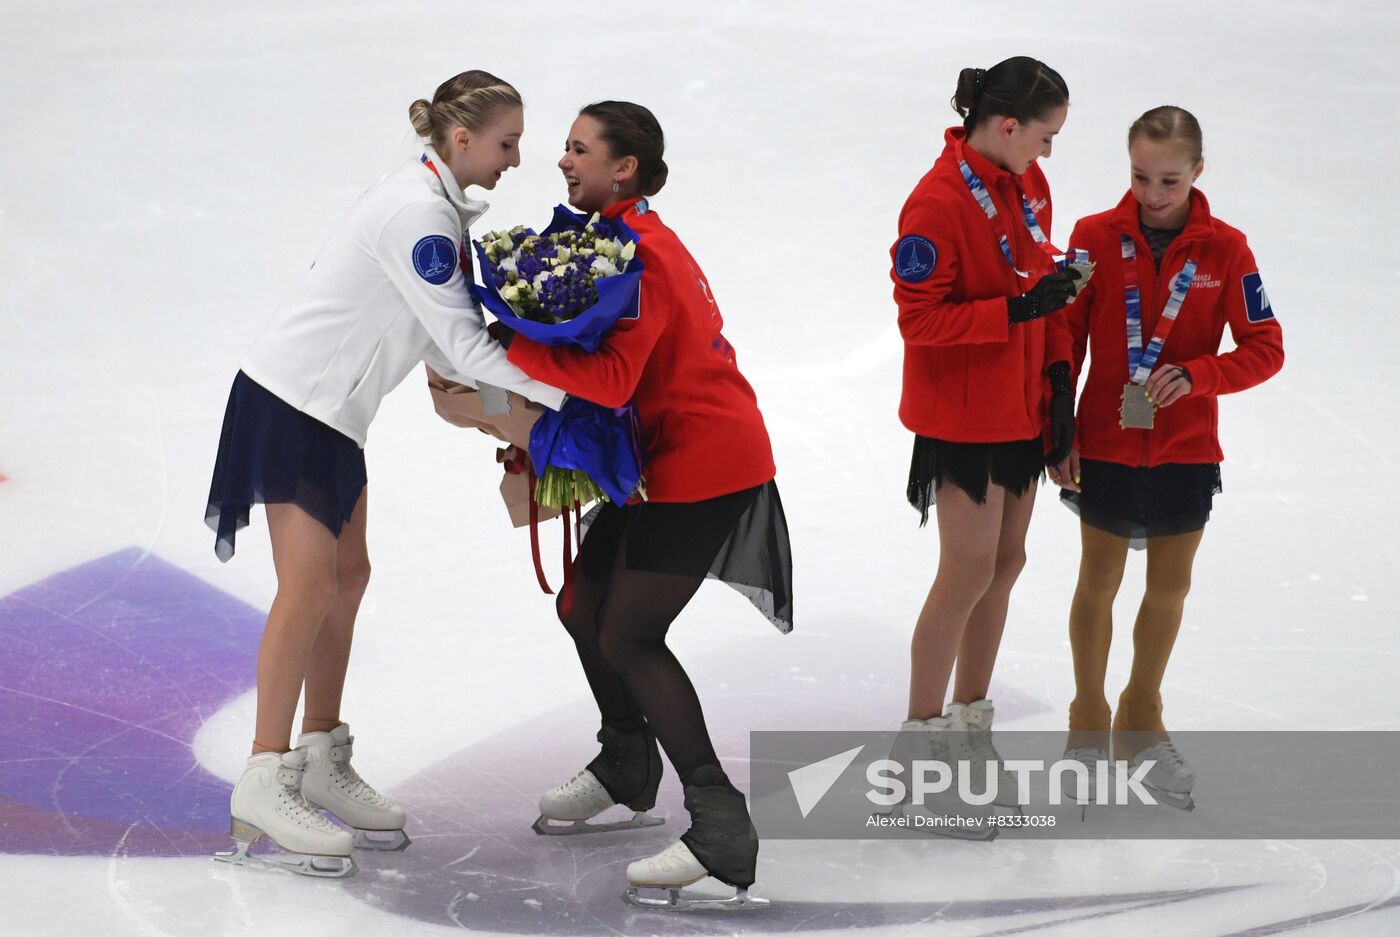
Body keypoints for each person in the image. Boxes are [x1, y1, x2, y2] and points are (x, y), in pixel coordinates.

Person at [205, 70, 565, 876]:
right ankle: (264, 773)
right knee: (308, 585)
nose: (516, 159)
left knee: (349, 574)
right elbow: (465, 347)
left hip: (332, 415)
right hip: (292, 403)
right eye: (508, 143)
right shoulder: (419, 216)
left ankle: (322, 752)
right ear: (461, 139)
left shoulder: (433, 207)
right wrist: (576, 399)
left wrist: (505, 417)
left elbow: (441, 343)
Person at [503, 101, 792, 910]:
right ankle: (628, 760)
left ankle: (720, 823)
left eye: (578, 149)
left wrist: (505, 343)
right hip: (662, 460)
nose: (563, 161)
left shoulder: (641, 255)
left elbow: (612, 380)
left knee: (628, 632)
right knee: (581, 603)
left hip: (706, 464)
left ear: (623, 167)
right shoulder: (623, 240)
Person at [1048, 106, 1284, 809]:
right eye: (1140, 176)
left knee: (1170, 587)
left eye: (1170, 180)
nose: (1152, 194)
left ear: (1199, 172)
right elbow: (1063, 333)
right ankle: (1086, 725)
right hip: (1108, 443)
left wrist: (1202, 375)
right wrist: (1060, 425)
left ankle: (1141, 720)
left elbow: (1266, 347)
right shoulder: (1092, 238)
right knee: (1098, 582)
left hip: (1185, 448)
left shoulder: (1228, 251)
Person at [888, 57, 1080, 827]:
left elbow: (1047, 287)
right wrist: (1019, 311)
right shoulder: (934, 203)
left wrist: (1061, 386)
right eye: (1045, 135)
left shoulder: (1029, 185)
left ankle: (970, 729)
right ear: (1006, 126)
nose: (1049, 152)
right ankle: (919, 742)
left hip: (1023, 408)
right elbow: (919, 322)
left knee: (1006, 562)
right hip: (963, 416)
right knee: (966, 570)